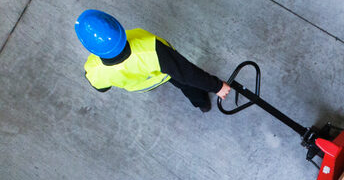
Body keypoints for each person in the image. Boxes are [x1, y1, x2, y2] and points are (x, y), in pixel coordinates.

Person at [74, 9, 231, 112]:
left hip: (142, 85)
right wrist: (216, 86)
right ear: (118, 28)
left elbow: (102, 88)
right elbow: (187, 73)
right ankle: (202, 103)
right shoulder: (151, 50)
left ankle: (202, 105)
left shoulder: (93, 71)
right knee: (185, 83)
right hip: (164, 73)